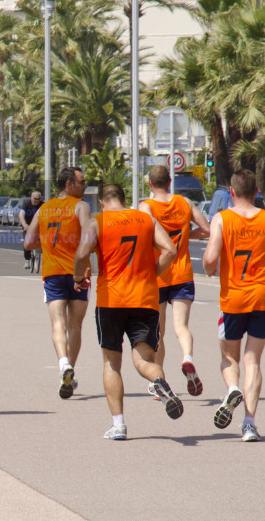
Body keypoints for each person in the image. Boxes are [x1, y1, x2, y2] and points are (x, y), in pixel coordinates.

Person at [73, 184, 179, 441]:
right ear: (123, 198)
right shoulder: (146, 219)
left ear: (102, 201)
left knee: (111, 362)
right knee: (144, 361)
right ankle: (159, 383)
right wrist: (153, 273)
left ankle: (119, 425)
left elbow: (81, 253)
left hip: (111, 300)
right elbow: (171, 250)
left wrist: (79, 278)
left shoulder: (97, 222)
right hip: (144, 299)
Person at [203, 169, 265, 442]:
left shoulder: (222, 219)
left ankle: (231, 389)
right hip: (262, 297)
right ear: (256, 192)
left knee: (229, 357)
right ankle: (249, 424)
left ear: (231, 192)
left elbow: (209, 260)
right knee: (253, 361)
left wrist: (211, 269)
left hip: (233, 299)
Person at [138, 166, 210, 397]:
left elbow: (142, 234)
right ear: (170, 181)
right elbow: (206, 229)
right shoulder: (184, 202)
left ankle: (160, 381)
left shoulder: (146, 206)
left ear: (150, 183)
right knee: (182, 327)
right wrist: (187, 236)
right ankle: (187, 357)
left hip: (158, 274)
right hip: (182, 274)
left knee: (157, 333)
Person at [22, 167, 91, 399]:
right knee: (76, 326)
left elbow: (28, 243)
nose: (85, 186)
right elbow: (89, 236)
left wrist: (52, 242)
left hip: (52, 273)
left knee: (57, 324)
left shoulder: (44, 208)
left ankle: (63, 365)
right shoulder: (81, 206)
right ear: (69, 184)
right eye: (82, 182)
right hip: (79, 273)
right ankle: (70, 367)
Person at [18, 191, 43, 269]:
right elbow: (21, 214)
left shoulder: (42, 205)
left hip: (38, 225)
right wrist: (24, 224)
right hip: (28, 225)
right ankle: (27, 260)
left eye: (38, 199)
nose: (36, 201)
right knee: (27, 241)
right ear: (31, 198)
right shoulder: (26, 204)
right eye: (35, 199)